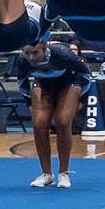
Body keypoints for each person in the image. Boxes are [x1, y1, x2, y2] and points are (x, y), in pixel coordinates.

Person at [17, 39, 92, 189]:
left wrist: (82, 99)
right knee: (39, 124)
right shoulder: (23, 60)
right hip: (43, 84)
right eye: (27, 53)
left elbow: (85, 73)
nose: (31, 57)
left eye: (35, 52)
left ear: (45, 49)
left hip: (69, 83)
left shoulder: (62, 53)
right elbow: (22, 82)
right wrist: (29, 103)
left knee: (63, 123)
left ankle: (64, 173)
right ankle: (46, 174)